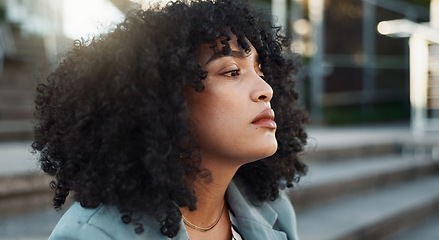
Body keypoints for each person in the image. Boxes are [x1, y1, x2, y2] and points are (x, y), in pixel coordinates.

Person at [32, 0, 307, 239]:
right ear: (166, 99)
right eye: (233, 71)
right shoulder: (93, 234)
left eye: (260, 70)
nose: (266, 90)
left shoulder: (273, 208)